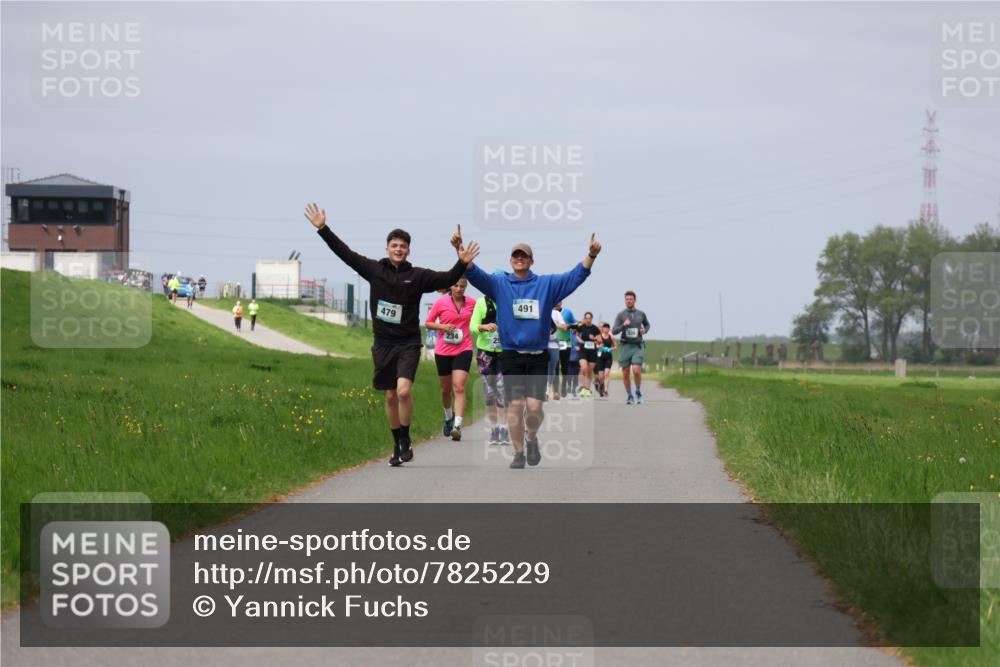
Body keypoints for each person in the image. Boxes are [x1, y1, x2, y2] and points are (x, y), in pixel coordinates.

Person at [306, 202, 479, 467]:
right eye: (394, 245)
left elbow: (446, 277)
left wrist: (462, 262)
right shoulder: (374, 269)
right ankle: (396, 442)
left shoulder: (418, 275)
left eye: (403, 246)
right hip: (383, 343)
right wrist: (323, 229)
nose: (398, 249)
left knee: (402, 391)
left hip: (408, 343)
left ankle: (407, 438)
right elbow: (344, 253)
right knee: (389, 396)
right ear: (387, 249)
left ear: (409, 250)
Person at [453, 226, 601, 469]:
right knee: (516, 406)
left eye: (524, 256)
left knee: (534, 408)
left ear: (532, 261)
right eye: (515, 256)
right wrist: (460, 253)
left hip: (538, 355)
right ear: (510, 261)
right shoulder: (500, 284)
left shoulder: (546, 284)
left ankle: (531, 438)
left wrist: (591, 256)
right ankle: (518, 453)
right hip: (510, 354)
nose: (519, 259)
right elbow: (474, 273)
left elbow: (575, 276)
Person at [425, 278, 476, 441]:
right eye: (456, 286)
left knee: (459, 387)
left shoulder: (473, 303)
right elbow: (428, 323)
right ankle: (448, 417)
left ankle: (457, 426)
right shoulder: (441, 303)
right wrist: (442, 327)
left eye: (462, 286)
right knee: (445, 390)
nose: (459, 289)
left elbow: (480, 319)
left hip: (464, 348)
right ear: (451, 287)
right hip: (444, 350)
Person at [470, 273, 510, 446]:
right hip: (485, 352)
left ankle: (504, 429)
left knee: (502, 391)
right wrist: (483, 327)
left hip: (505, 352)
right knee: (490, 393)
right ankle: (494, 429)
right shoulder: (481, 302)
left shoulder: (510, 300)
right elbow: (472, 327)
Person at [613, 290, 651, 405]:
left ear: (635, 300)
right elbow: (614, 331)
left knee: (636, 370)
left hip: (638, 345)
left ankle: (638, 392)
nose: (629, 301)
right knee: (625, 372)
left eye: (631, 299)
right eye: (627, 299)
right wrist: (623, 325)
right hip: (625, 346)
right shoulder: (621, 315)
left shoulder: (641, 314)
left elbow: (647, 324)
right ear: (625, 301)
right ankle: (629, 395)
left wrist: (645, 330)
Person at [574, 311, 601, 398]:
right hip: (583, 350)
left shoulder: (595, 328)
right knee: (583, 367)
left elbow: (600, 340)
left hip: (592, 351)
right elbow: (576, 335)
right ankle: (582, 387)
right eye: (586, 318)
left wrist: (594, 338)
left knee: (589, 371)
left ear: (591, 319)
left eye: (589, 318)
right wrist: (580, 340)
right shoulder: (581, 327)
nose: (588, 319)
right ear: (585, 318)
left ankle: (587, 389)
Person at [547, 304, 566, 401]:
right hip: (542, 343)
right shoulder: (540, 311)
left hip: (554, 343)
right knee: (542, 367)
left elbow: (564, 327)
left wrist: (555, 324)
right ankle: (544, 390)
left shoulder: (556, 313)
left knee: (553, 367)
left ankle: (549, 387)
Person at [595, 322, 617, 398]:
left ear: (609, 329)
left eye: (607, 328)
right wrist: (599, 346)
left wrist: (611, 349)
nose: (606, 329)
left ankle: (606, 390)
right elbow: (596, 345)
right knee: (601, 376)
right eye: (604, 327)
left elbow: (615, 347)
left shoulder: (611, 337)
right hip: (600, 357)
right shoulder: (599, 336)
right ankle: (600, 386)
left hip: (608, 357)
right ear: (602, 329)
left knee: (606, 374)